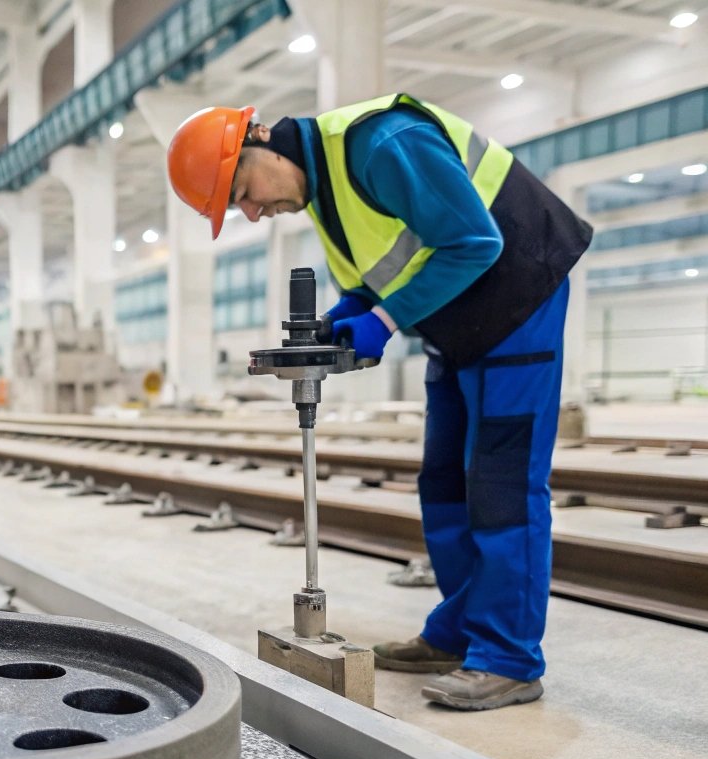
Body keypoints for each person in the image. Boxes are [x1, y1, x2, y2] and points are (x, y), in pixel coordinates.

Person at [166, 95, 592, 711]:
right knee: (443, 483)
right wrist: (357, 308)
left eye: (243, 192)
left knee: (502, 483)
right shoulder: (323, 191)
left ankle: (508, 658)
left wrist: (386, 318)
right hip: (458, 323)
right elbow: (393, 261)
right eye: (239, 209)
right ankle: (459, 630)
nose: (254, 213)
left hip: (519, 299)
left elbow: (474, 241)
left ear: (261, 139)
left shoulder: (383, 144)